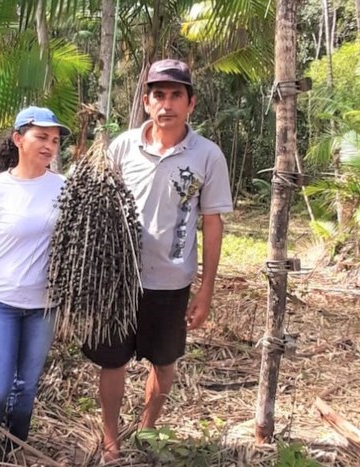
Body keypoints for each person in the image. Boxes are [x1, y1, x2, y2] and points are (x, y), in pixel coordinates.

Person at [82, 59, 233, 461]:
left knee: (163, 362)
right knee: (112, 361)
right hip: (119, 279)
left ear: (191, 103)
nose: (166, 104)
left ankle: (147, 430)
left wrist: (206, 287)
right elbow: (100, 210)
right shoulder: (122, 147)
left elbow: (212, 222)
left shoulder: (207, 156)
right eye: (158, 95)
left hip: (171, 281)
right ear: (146, 102)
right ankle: (111, 438)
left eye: (175, 95)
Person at [0, 106, 71, 460]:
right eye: (41, 137)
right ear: (18, 139)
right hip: (0, 304)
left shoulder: (65, 188)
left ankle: (15, 448)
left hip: (43, 305)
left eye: (54, 140)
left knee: (26, 388)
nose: (49, 146)